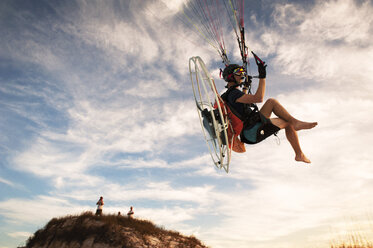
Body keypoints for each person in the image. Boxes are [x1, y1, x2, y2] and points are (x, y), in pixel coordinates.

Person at [222, 55, 317, 163]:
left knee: (288, 122)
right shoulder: (233, 94)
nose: (242, 74)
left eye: (242, 72)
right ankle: (296, 127)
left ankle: (299, 153)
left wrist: (245, 87)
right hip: (251, 130)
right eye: (238, 72)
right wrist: (262, 77)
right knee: (272, 103)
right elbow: (259, 98)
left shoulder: (231, 94)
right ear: (230, 76)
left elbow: (241, 108)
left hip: (251, 126)